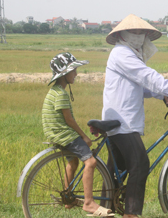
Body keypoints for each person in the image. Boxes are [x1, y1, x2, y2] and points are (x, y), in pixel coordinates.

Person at [102, 14, 168, 218]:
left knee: (115, 171)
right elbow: (145, 75)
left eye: (140, 32)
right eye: (133, 32)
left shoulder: (128, 55)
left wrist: (162, 94)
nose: (137, 35)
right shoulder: (122, 54)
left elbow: (139, 86)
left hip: (119, 119)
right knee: (140, 164)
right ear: (122, 35)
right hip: (122, 122)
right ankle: (131, 214)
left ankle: (105, 209)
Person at [42, 52, 114, 217]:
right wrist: (84, 136)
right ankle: (88, 203)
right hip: (63, 134)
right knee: (91, 162)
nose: (76, 73)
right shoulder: (60, 94)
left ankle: (68, 198)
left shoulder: (55, 91)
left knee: (73, 162)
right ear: (64, 74)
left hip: (56, 133)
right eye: (73, 70)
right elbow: (69, 120)